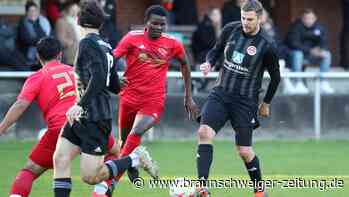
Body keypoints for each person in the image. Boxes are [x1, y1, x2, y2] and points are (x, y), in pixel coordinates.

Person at [52, 1, 159, 197]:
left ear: (78, 20)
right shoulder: (105, 45)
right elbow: (112, 84)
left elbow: (100, 78)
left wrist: (79, 104)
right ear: (101, 24)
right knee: (60, 159)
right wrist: (118, 82)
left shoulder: (87, 44)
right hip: (81, 118)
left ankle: (134, 158)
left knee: (90, 176)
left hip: (94, 117)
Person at [90, 4, 199, 196]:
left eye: (162, 24)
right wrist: (114, 79)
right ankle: (132, 161)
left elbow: (185, 64)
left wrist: (188, 96)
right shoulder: (132, 39)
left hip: (153, 101)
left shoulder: (172, 44)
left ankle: (110, 183)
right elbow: (111, 58)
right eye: (155, 23)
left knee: (137, 131)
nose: (158, 27)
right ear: (146, 23)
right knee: (125, 142)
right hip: (129, 98)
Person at [0, 37, 119, 197]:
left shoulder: (37, 77)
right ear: (60, 55)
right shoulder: (74, 70)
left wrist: (2, 128)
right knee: (115, 152)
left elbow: (20, 104)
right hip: (88, 122)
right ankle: (100, 192)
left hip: (60, 129)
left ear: (38, 57)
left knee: (30, 170)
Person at [196, 1, 280, 197]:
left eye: (250, 19)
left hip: (245, 101)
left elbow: (276, 78)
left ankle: (259, 190)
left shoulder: (267, 45)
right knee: (204, 132)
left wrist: (266, 102)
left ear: (260, 18)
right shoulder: (229, 30)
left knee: (244, 150)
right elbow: (215, 51)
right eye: (243, 18)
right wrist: (209, 63)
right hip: (221, 93)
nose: (245, 22)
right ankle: (202, 188)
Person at [285, 8, 333, 94]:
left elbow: (324, 41)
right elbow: (294, 43)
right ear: (302, 18)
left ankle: (323, 82)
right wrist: (310, 50)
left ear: (315, 18)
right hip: (297, 56)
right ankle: (298, 82)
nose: (308, 20)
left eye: (311, 18)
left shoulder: (320, 28)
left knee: (327, 54)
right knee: (298, 54)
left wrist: (321, 49)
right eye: (306, 18)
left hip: (312, 56)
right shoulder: (296, 27)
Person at [18, 1, 52, 68]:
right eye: (30, 11)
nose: (33, 13)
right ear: (27, 12)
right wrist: (42, 41)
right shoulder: (23, 23)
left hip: (43, 55)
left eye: (35, 11)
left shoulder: (43, 22)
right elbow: (26, 40)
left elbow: (48, 37)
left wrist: (37, 23)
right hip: (28, 57)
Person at [55, 1, 80, 66]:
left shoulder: (79, 20)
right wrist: (72, 43)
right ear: (68, 9)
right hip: (69, 54)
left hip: (81, 54)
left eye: (76, 9)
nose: (74, 12)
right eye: (72, 9)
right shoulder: (62, 21)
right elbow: (60, 39)